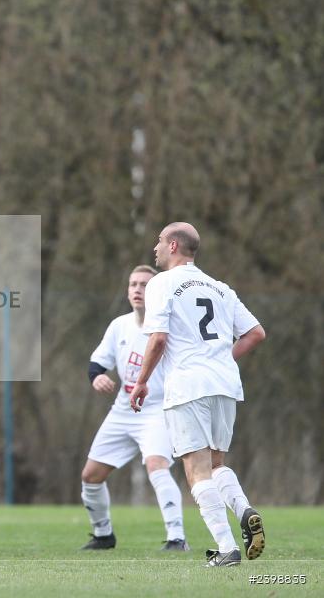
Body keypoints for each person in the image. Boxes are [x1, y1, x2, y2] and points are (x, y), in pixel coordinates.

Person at [130, 222, 266, 568]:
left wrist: (141, 381)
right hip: (225, 384)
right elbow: (255, 334)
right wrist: (220, 359)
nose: (155, 247)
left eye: (159, 241)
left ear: (174, 245)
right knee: (217, 464)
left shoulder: (161, 284)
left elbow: (158, 339)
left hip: (189, 385)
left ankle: (226, 548)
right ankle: (244, 508)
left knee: (196, 471)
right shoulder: (220, 288)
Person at [80, 265, 189, 551]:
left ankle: (177, 538)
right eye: (133, 284)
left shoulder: (169, 327)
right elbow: (97, 364)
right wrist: (98, 377)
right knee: (90, 476)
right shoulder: (120, 325)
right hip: (123, 410)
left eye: (144, 285)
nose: (138, 289)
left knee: (156, 464)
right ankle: (103, 535)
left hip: (157, 411)